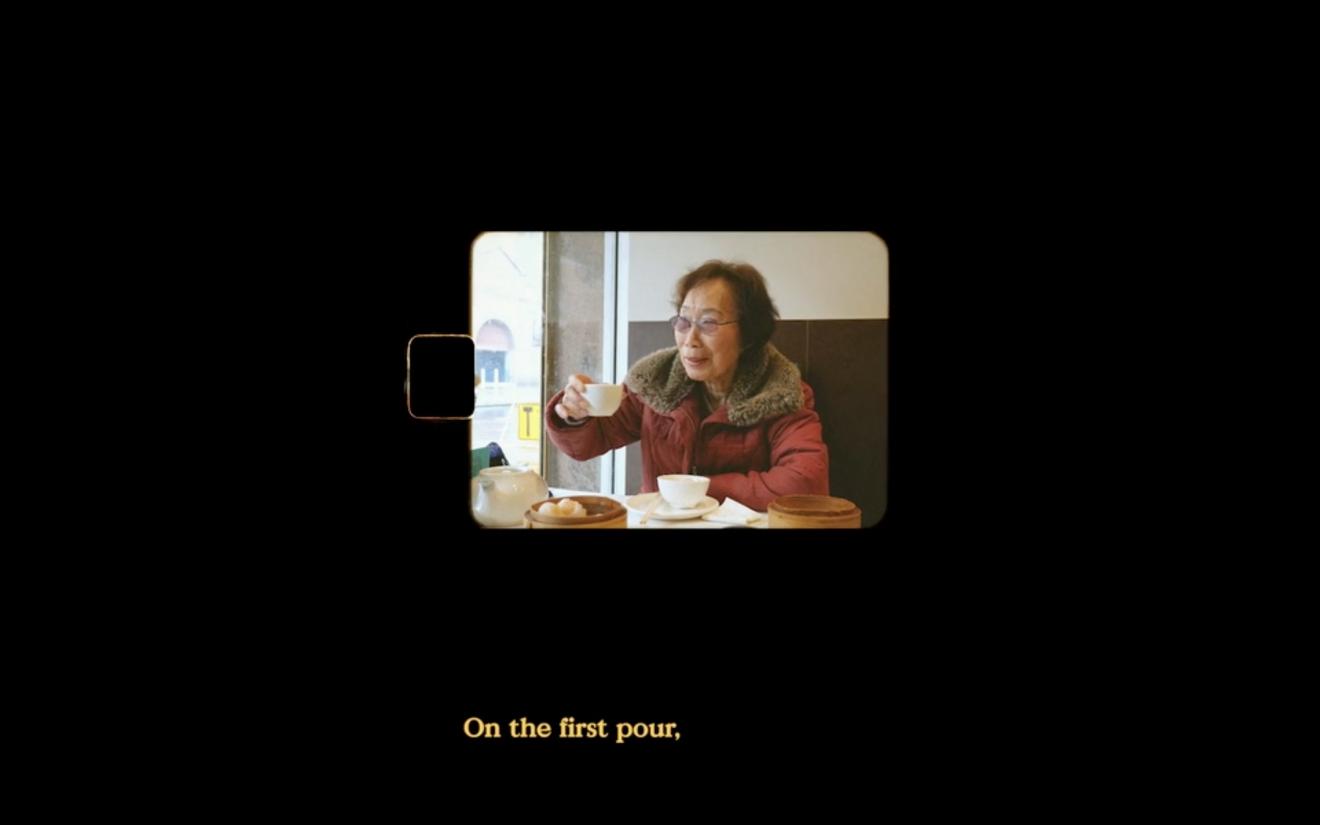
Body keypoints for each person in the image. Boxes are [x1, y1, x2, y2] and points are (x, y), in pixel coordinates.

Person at [544, 260, 828, 511]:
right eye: (683, 321)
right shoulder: (657, 382)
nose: (690, 339)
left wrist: (695, 490)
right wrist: (573, 414)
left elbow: (805, 484)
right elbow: (588, 444)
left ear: (748, 334)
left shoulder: (782, 393)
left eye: (708, 322)